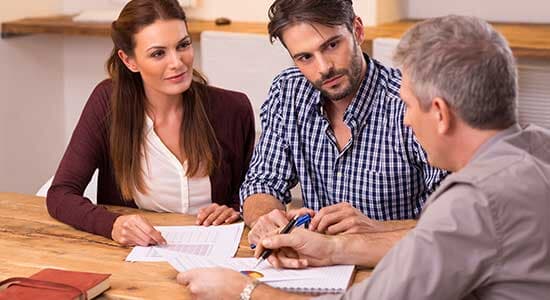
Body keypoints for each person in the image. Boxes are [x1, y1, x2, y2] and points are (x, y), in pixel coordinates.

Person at [176, 15, 550, 299]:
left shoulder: (472, 203)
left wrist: (243, 291)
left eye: (407, 105)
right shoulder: (537, 149)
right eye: (305, 56)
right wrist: (331, 249)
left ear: (440, 113)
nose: (405, 118)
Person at [241, 0, 446, 259]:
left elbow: (455, 223)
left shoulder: (409, 102)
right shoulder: (287, 91)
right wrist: (268, 221)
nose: (324, 67)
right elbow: (262, 182)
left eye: (332, 45)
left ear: (357, 30)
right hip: (315, 266)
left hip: (397, 266)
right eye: (305, 57)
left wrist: (376, 229)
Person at [46, 0, 255, 247]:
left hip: (217, 255)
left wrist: (235, 209)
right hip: (137, 258)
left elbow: (251, 193)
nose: (177, 62)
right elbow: (61, 194)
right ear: (129, 60)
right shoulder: (108, 103)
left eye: (183, 45)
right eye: (158, 53)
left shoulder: (233, 109)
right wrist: (113, 224)